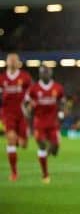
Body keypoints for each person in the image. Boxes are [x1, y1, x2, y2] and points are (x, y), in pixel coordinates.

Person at [25, 65, 65, 184]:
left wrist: (61, 112)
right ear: (40, 74)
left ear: (51, 73)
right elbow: (26, 103)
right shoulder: (34, 88)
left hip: (53, 123)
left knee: (55, 149)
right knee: (41, 145)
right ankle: (45, 175)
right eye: (43, 72)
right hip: (39, 122)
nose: (45, 74)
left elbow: (62, 101)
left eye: (47, 72)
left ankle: (45, 155)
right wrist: (27, 111)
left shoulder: (58, 87)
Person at [0, 53, 33, 181]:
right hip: (8, 113)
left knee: (23, 144)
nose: (13, 62)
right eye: (10, 60)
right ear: (7, 62)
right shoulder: (2, 78)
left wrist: (29, 106)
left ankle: (20, 140)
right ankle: (14, 172)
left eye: (15, 60)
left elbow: (31, 94)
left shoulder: (25, 77)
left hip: (22, 114)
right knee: (11, 139)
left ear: (18, 62)